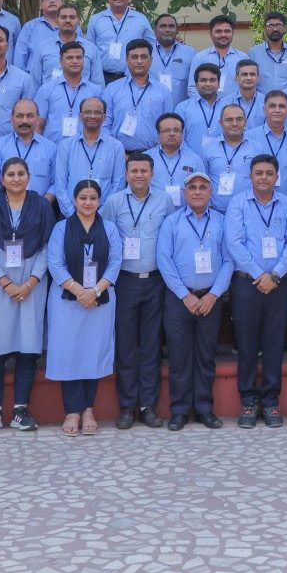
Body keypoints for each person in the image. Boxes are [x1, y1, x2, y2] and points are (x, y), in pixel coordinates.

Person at [0, 158, 50, 433]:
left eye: (20, 174)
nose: (16, 178)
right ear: (2, 179)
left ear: (29, 177)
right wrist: (6, 282)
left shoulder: (41, 206)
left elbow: (47, 248)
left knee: (27, 347)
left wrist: (30, 282)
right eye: (10, 174)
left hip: (32, 283)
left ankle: (21, 410)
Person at [46, 180, 121, 436]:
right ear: (74, 200)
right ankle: (72, 410)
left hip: (100, 299)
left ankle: (88, 408)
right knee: (70, 352)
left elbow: (115, 262)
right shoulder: (61, 228)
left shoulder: (109, 228)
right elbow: (55, 263)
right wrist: (80, 291)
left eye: (92, 198)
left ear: (100, 201)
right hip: (68, 301)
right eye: (83, 198)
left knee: (93, 350)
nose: (88, 202)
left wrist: (95, 291)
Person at [227, 155, 287, 427]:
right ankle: (248, 401)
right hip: (247, 281)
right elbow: (235, 243)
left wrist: (275, 275)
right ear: (250, 176)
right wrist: (259, 275)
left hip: (280, 282)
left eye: (269, 173)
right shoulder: (238, 203)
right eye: (259, 173)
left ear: (277, 177)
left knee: (274, 342)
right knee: (246, 343)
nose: (264, 177)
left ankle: (270, 401)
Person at [103, 152, 170, 428]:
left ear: (152, 174)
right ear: (126, 174)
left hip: (155, 280)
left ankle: (148, 405)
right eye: (134, 171)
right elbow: (106, 237)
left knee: (151, 345)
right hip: (125, 280)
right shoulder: (114, 202)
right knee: (127, 345)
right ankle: (128, 406)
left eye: (144, 171)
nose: (139, 175)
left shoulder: (164, 200)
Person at [158, 171, 230, 430]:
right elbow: (164, 260)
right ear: (184, 193)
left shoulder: (221, 222)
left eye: (203, 187)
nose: (198, 191)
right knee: (179, 357)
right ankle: (179, 410)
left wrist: (213, 294)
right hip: (180, 299)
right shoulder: (172, 222)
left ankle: (203, 409)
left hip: (210, 298)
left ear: (211, 192)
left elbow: (229, 260)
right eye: (192, 187)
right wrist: (184, 295)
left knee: (205, 356)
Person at [0, 99, 58, 207]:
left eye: (30, 116)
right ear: (11, 118)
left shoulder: (51, 148)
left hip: (40, 210)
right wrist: (6, 206)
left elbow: (55, 183)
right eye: (19, 116)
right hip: (4, 209)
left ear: (37, 118)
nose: (25, 121)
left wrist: (41, 205)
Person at [56, 97, 125, 200]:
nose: (92, 116)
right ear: (80, 116)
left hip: (105, 209)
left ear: (104, 117)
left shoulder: (116, 147)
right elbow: (60, 186)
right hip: (72, 208)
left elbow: (118, 185)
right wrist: (71, 210)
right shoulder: (65, 146)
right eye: (87, 112)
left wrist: (104, 210)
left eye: (97, 112)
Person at [86, 0, 153, 82]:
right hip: (102, 78)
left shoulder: (141, 20)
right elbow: (90, 50)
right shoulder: (96, 20)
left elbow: (152, 46)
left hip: (131, 78)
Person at [35, 43, 103, 140]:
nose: (75, 61)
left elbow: (101, 125)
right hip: (53, 147)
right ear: (60, 61)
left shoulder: (95, 91)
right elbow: (38, 125)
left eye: (79, 57)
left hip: (84, 147)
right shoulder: (46, 90)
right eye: (69, 58)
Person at [244, 92, 287, 197]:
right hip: (255, 202)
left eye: (281, 106)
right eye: (272, 106)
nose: (277, 110)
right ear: (264, 109)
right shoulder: (249, 137)